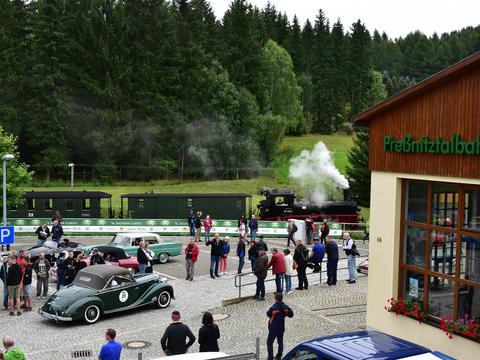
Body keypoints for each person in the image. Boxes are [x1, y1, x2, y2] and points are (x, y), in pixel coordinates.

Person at [266, 293, 294, 360]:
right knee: (280, 341)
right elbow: (291, 314)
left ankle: (270, 357)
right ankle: (279, 356)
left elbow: (268, 314)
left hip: (273, 328)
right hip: (281, 327)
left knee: (269, 342)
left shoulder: (273, 308)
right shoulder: (285, 307)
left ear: (276, 299)